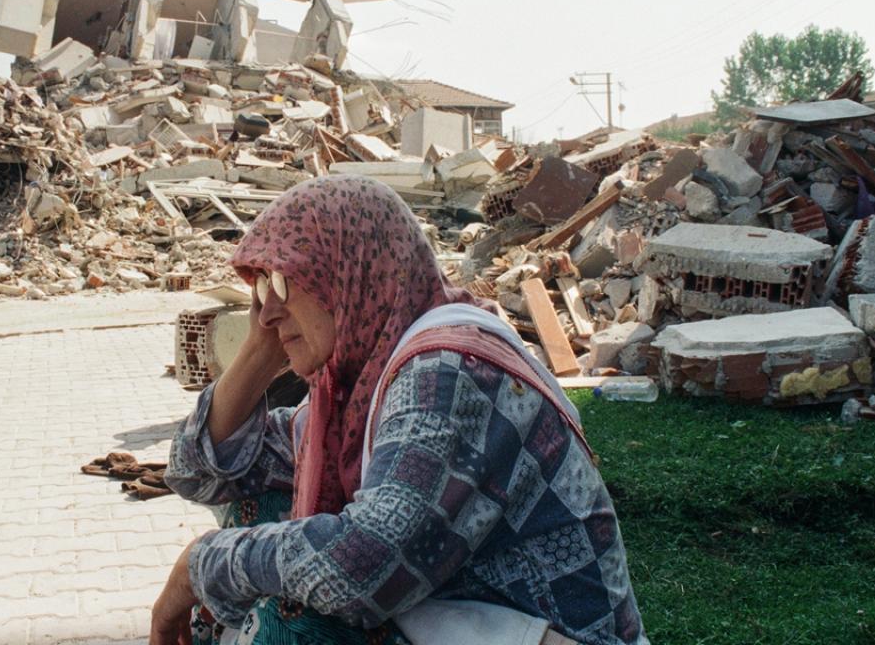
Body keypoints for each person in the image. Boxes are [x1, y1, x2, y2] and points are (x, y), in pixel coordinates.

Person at [156, 176, 647, 645]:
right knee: (256, 509)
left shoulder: (449, 373)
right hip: (471, 624)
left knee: (294, 616)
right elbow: (202, 473)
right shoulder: (354, 388)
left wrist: (201, 564)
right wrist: (260, 354)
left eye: (282, 282)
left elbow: (361, 567)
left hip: (555, 637)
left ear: (348, 270)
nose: (265, 312)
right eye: (259, 290)